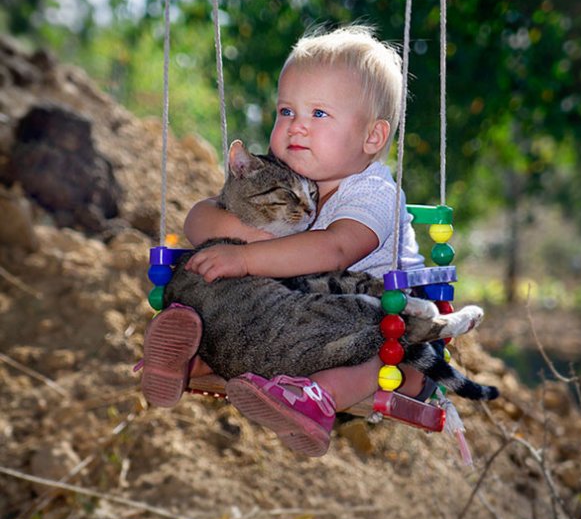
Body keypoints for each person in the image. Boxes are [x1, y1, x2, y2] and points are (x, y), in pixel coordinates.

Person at [142, 24, 430, 456]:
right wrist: (244, 237)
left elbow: (334, 249)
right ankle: (192, 355)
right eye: (285, 111)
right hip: (301, 317)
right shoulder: (288, 175)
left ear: (372, 137)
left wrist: (246, 258)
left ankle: (316, 399)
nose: (296, 127)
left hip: (385, 316)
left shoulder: (373, 192)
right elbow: (200, 217)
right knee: (218, 284)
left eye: (318, 114)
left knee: (384, 358)